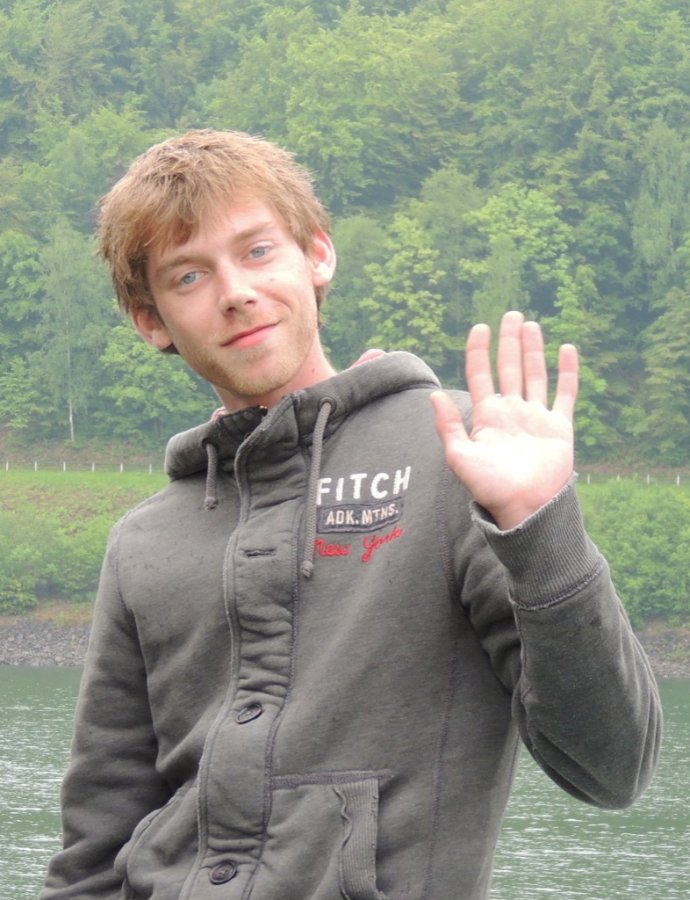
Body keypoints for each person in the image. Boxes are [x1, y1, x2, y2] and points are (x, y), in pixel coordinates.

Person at [40, 129, 661, 900]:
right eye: (189, 275)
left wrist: (541, 528)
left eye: (258, 251)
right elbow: (93, 851)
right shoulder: (143, 541)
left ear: (318, 255)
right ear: (151, 320)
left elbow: (612, 768)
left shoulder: (460, 460)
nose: (235, 291)